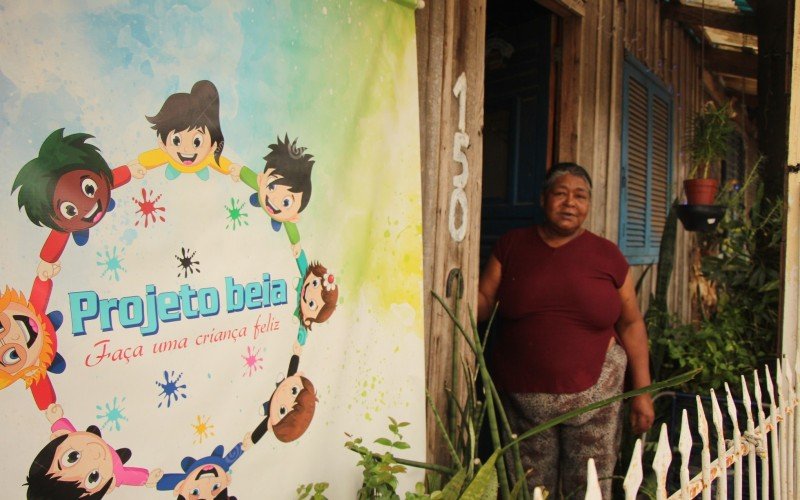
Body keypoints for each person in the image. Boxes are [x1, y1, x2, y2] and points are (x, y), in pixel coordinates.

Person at [477, 162, 654, 497]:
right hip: (524, 403)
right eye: (560, 194)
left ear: (589, 205)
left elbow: (631, 323)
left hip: (596, 400)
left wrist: (642, 393)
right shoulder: (512, 246)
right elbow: (484, 300)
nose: (570, 203)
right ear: (544, 200)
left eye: (580, 196)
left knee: (589, 490)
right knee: (528, 490)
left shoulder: (607, 256)